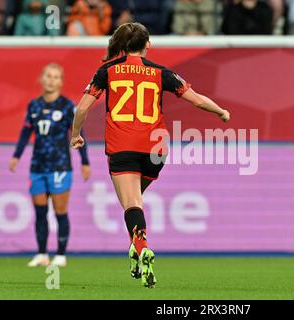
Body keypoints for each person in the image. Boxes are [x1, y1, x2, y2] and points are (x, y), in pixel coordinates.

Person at [70, 22, 230, 288]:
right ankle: (134, 246)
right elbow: (197, 99)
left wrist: (76, 134)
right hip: (156, 149)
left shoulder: (107, 71)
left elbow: (82, 109)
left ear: (121, 44)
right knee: (135, 202)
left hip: (123, 146)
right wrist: (221, 112)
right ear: (148, 45)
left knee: (131, 203)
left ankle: (142, 246)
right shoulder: (160, 72)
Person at [9, 63, 91, 267]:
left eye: (56, 77)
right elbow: (26, 131)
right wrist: (16, 155)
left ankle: (61, 255)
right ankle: (42, 254)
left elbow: (78, 134)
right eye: (48, 76)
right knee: (39, 211)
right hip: (38, 166)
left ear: (61, 82)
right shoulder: (34, 105)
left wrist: (85, 161)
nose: (51, 80)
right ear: (41, 79)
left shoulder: (66, 106)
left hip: (60, 166)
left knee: (60, 211)